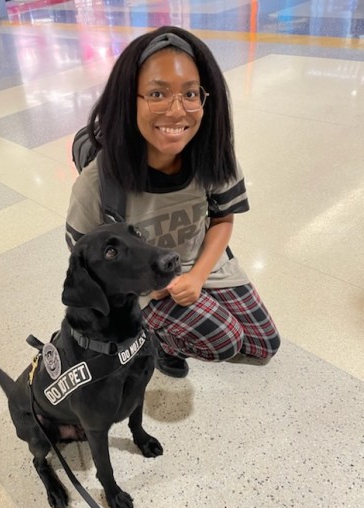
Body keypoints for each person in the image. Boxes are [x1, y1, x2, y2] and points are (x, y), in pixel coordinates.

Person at [66, 25, 280, 378]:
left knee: (263, 344)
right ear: (129, 98)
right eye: (156, 94)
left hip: (201, 262)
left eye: (191, 94)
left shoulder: (211, 157)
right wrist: (150, 287)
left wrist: (196, 277)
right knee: (224, 339)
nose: (177, 111)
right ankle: (158, 342)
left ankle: (181, 322)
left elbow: (223, 219)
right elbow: (84, 257)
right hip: (146, 287)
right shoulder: (99, 181)